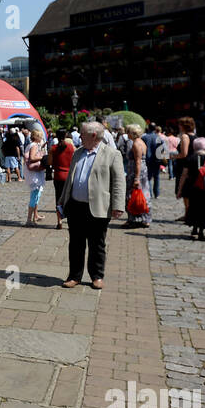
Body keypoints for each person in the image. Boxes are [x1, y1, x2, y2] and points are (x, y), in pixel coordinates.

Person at [58, 122, 125, 289]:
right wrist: (62, 201)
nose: (79, 136)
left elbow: (118, 182)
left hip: (98, 207)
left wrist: (118, 205)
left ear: (93, 136)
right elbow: (70, 180)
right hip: (75, 206)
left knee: (97, 244)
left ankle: (97, 276)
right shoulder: (78, 152)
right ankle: (74, 276)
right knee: (75, 243)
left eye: (83, 133)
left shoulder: (112, 154)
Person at [178, 137, 205, 241]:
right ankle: (201, 231)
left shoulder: (190, 158)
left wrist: (180, 189)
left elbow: (184, 175)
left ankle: (194, 227)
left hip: (194, 187)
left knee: (194, 207)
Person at [124, 125, 151, 228]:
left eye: (128, 132)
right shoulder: (141, 142)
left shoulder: (136, 143)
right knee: (143, 194)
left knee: (132, 195)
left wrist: (136, 177)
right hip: (142, 170)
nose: (127, 134)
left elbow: (138, 161)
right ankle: (144, 218)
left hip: (136, 171)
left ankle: (133, 219)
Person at [24, 128, 47, 225]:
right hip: (34, 174)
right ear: (37, 137)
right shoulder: (33, 145)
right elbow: (32, 157)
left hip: (34, 173)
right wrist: (43, 157)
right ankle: (29, 219)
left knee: (36, 195)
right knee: (34, 196)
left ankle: (34, 216)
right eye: (40, 136)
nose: (42, 137)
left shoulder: (32, 145)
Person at [52, 134, 75, 230]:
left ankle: (59, 221)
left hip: (58, 175)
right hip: (69, 175)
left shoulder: (53, 148)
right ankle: (70, 222)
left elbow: (49, 162)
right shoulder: (71, 147)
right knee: (70, 199)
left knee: (58, 198)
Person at [175, 118, 194, 221]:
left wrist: (172, 156)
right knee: (189, 191)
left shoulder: (185, 136)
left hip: (185, 166)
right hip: (192, 165)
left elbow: (184, 154)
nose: (178, 126)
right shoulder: (195, 136)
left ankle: (188, 214)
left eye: (180, 124)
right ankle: (188, 213)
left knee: (185, 191)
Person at [141, 122, 163, 199]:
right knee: (156, 177)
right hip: (157, 160)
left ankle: (149, 193)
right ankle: (157, 194)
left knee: (148, 177)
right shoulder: (158, 137)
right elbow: (162, 149)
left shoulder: (144, 137)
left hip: (147, 159)